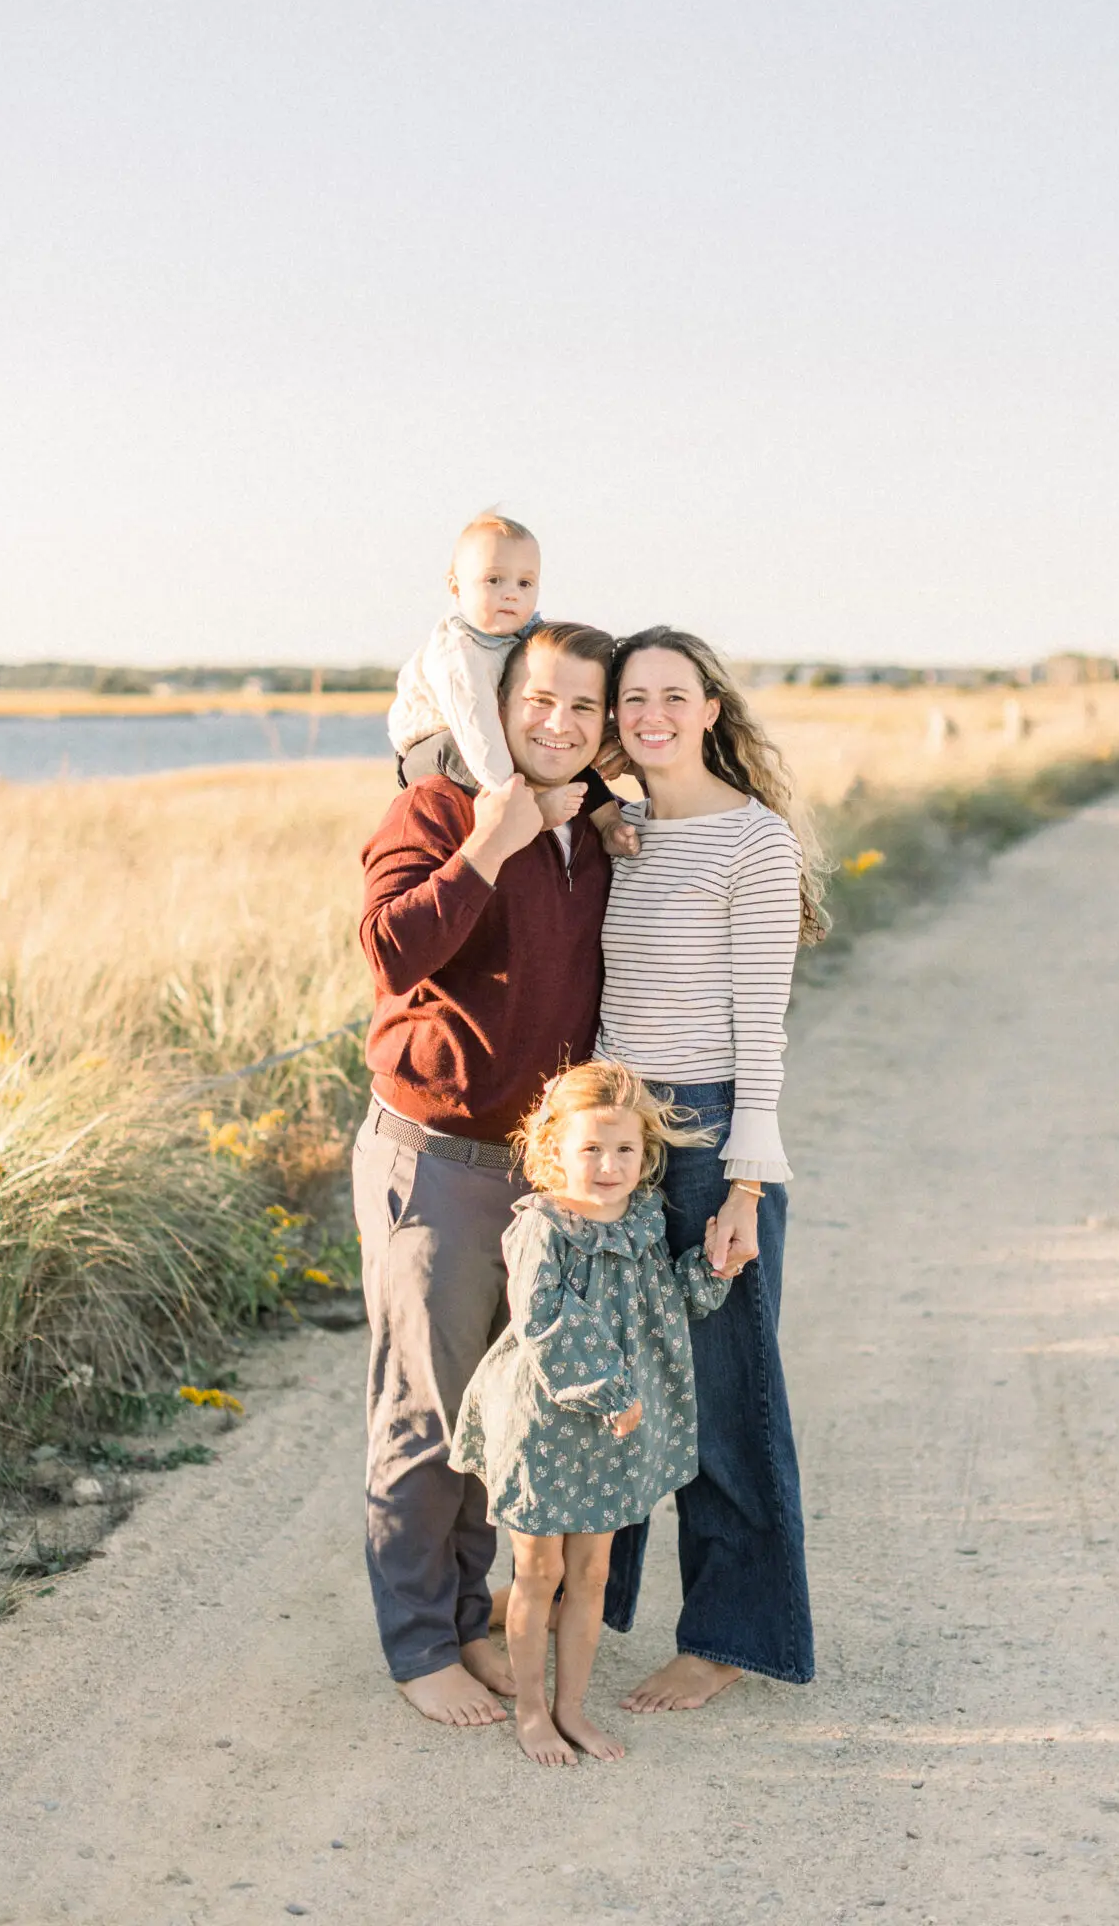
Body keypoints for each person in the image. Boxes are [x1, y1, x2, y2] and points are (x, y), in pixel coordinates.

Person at [354, 620, 616, 1727]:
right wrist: (485, 846)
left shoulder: (594, 832)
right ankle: (420, 1641)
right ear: (500, 707)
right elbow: (387, 951)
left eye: (584, 709)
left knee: (498, 1415)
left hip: (542, 1177)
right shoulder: (438, 812)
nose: (558, 724)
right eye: (539, 701)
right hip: (438, 1162)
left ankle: (468, 1617)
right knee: (425, 1413)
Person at [596, 624, 828, 1712]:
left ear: (710, 710)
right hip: (614, 1140)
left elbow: (760, 1025)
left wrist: (744, 1182)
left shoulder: (754, 841)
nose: (651, 712)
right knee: (621, 1385)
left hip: (712, 1132)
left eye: (671, 694)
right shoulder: (618, 832)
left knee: (726, 1394)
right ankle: (592, 1605)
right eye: (632, 697)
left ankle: (731, 1631)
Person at [449, 1061, 732, 1765]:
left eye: (624, 1150)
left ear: (645, 1155)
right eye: (589, 1149)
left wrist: (710, 1271)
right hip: (545, 1420)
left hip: (614, 1428)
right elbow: (546, 1320)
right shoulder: (542, 1228)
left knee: (593, 1574)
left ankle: (573, 1707)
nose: (607, 1165)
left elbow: (661, 1306)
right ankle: (533, 1714)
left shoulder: (640, 1219)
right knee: (537, 1573)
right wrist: (607, 1391)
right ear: (554, 1150)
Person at [388, 512, 636, 855]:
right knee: (466, 749)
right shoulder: (458, 652)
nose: (511, 595)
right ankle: (529, 813)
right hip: (434, 742)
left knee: (563, 752)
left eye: (524, 583)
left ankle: (609, 822)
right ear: (456, 587)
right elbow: (476, 730)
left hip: (490, 731)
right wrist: (527, 803)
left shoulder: (526, 633)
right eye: (494, 580)